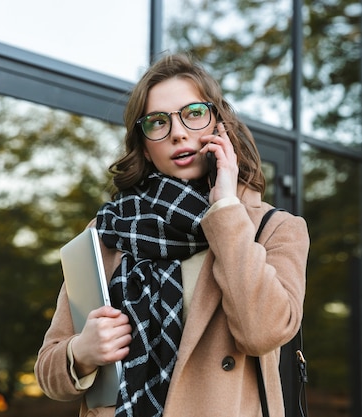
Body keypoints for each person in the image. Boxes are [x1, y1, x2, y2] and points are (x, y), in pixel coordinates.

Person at [34, 53, 309, 417]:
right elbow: (48, 369)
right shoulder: (108, 230)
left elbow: (262, 332)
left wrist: (226, 208)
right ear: (145, 145)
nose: (178, 132)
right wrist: (82, 352)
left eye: (194, 113)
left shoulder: (275, 229)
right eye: (158, 121)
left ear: (219, 124)